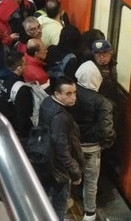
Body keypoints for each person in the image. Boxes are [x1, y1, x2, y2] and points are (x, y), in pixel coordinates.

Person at [74, 64, 116, 221]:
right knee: (91, 182)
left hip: (73, 145)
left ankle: (68, 202)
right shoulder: (103, 102)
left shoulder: (70, 93)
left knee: (71, 175)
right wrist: (106, 143)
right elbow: (107, 130)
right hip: (92, 147)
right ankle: (90, 213)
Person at [38, 77, 84, 218]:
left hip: (44, 159)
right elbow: (62, 147)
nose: (73, 97)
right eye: (68, 94)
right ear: (57, 94)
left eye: (74, 92)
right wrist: (75, 171)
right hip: (59, 169)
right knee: (59, 205)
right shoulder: (61, 117)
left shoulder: (47, 102)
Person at [0, 51, 34, 140]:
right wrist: (24, 134)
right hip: (11, 127)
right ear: (19, 68)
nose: (26, 66)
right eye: (25, 64)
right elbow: (22, 114)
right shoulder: (21, 89)